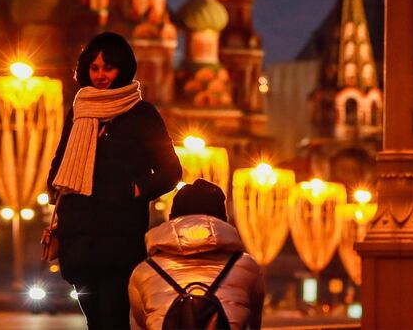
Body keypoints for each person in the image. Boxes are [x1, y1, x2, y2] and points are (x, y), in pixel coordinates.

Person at [47, 32, 183, 330]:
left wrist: (133, 190)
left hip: (119, 236)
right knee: (94, 319)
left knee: (113, 317)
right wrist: (54, 189)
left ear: (123, 68)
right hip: (79, 237)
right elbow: (61, 158)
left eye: (108, 68)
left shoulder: (141, 114)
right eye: (94, 68)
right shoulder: (79, 111)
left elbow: (171, 171)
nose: (100, 75)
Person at [128, 179, 264, 330]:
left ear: (172, 219)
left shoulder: (144, 271)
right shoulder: (247, 266)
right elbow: (254, 322)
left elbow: (140, 324)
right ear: (224, 221)